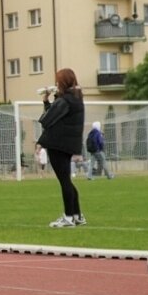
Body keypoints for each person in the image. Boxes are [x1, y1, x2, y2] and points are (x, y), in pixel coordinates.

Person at [37, 68, 86, 228]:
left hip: (58, 143)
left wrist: (52, 100)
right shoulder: (76, 98)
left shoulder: (65, 100)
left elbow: (47, 119)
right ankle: (77, 215)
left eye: (58, 81)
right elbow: (57, 114)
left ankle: (69, 216)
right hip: (69, 144)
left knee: (64, 181)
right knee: (67, 180)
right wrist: (48, 100)